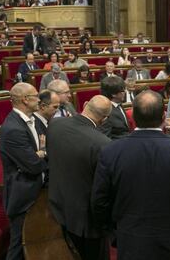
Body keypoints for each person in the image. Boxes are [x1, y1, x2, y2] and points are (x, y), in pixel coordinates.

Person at [91, 90, 170, 260]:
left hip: (130, 238)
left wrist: (114, 233)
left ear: (133, 118)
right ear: (164, 116)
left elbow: (99, 201)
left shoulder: (110, 152)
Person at [47, 95, 111, 259]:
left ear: (85, 104)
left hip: (57, 207)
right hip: (86, 221)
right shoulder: (102, 143)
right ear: (104, 119)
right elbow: (103, 189)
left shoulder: (54, 124)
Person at [0, 82, 47, 260]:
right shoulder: (13, 129)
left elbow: (43, 152)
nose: (40, 99)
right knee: (18, 245)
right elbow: (33, 164)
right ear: (25, 100)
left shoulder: (33, 120)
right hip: (23, 196)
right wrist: (40, 154)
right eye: (36, 95)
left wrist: (41, 153)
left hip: (36, 189)